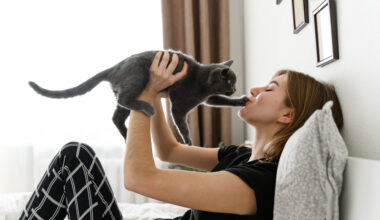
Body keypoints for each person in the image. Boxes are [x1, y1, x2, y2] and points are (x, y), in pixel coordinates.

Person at [19, 51, 343, 220]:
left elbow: (138, 178)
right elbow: (169, 151)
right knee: (75, 157)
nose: (255, 89)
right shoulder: (240, 157)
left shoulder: (258, 183)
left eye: (270, 89)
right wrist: (161, 91)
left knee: (74, 157)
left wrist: (143, 96)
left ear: (287, 115)